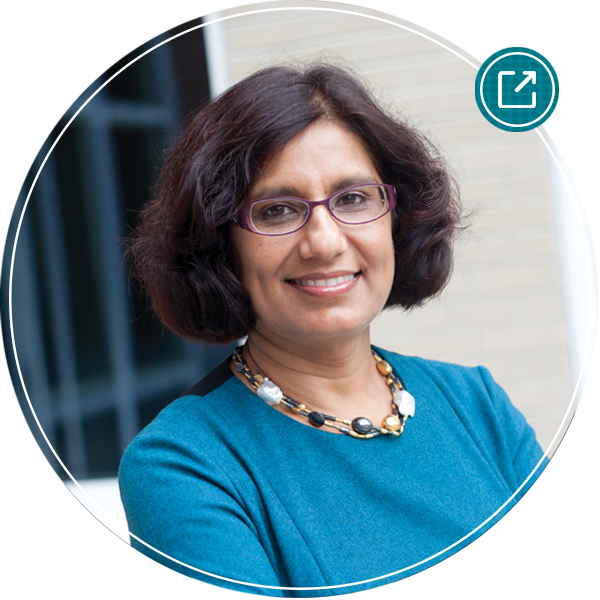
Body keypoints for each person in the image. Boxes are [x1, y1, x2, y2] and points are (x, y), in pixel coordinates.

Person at [119, 63, 546, 596]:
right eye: (277, 210)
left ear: (396, 217)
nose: (324, 242)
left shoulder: (476, 405)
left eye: (352, 199)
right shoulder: (186, 464)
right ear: (219, 245)